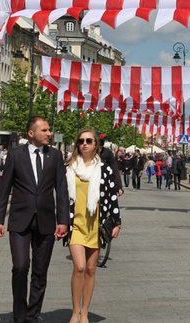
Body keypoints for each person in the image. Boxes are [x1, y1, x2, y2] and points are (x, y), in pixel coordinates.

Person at [0, 116, 69, 323]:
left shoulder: (55, 156)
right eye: (44, 130)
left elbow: (61, 189)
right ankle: (19, 315)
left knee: (40, 272)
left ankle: (32, 316)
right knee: (20, 267)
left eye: (49, 130)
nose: (48, 133)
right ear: (31, 133)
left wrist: (63, 221)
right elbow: (4, 189)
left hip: (45, 221)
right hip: (19, 220)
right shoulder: (16, 155)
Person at [64, 129, 121, 323]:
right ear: (77, 144)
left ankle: (85, 313)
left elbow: (112, 197)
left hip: (95, 225)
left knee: (90, 269)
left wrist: (116, 222)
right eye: (81, 141)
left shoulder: (104, 169)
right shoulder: (69, 168)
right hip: (76, 225)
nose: (85, 144)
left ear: (96, 144)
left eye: (89, 140)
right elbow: (61, 197)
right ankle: (74, 312)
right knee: (79, 267)